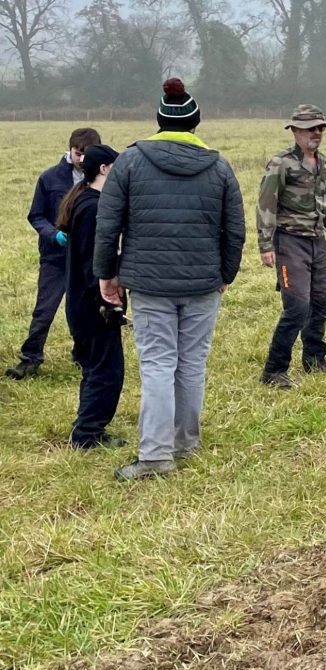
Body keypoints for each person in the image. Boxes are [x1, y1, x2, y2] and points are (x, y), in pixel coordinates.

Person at [94, 78, 245, 480]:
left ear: (159, 121)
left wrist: (106, 275)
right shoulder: (219, 167)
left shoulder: (129, 162)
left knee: (158, 365)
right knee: (191, 363)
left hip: (148, 283)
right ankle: (185, 442)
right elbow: (235, 230)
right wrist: (225, 274)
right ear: (195, 123)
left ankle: (156, 455)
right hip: (202, 284)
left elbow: (107, 227)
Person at [257, 104, 326, 389]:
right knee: (297, 308)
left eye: (320, 128)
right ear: (295, 131)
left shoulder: (324, 164)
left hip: (316, 242)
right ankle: (274, 370)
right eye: (310, 129)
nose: (316, 133)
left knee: (320, 304)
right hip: (289, 242)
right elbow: (266, 205)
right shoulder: (281, 163)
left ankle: (314, 361)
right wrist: (266, 244)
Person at [6, 127, 102, 380]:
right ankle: (30, 359)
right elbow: (35, 215)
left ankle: (83, 356)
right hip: (55, 258)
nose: (82, 160)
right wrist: (53, 235)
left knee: (83, 310)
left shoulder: (104, 179)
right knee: (44, 310)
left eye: (87, 155)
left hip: (87, 258)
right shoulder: (49, 178)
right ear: (70, 150)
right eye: (77, 153)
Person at [56, 144, 125, 449]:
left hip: (80, 303)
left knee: (94, 368)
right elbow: (92, 262)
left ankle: (86, 430)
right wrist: (106, 302)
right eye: (117, 166)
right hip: (92, 305)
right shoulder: (95, 208)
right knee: (107, 372)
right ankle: (87, 435)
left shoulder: (82, 200)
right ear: (104, 169)